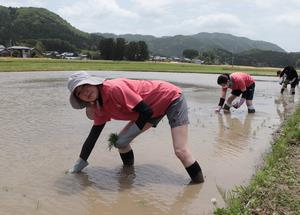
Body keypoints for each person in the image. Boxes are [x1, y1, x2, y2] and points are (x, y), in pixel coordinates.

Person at [66, 71, 204, 183]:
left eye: (85, 85)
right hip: (150, 110)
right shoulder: (99, 107)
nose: (85, 92)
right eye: (79, 92)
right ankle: (128, 173)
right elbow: (93, 135)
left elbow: (146, 111)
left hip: (170, 98)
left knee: (180, 150)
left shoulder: (114, 89)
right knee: (120, 142)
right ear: (80, 100)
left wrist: (129, 134)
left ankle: (198, 185)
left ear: (93, 82)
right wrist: (80, 162)